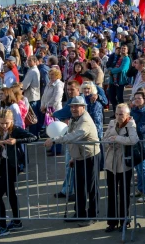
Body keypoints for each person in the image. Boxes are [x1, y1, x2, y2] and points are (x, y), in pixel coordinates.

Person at [45, 95, 100, 227]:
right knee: (79, 186)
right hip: (79, 157)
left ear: (83, 107)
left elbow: (74, 136)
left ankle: (93, 215)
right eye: (72, 107)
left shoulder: (85, 120)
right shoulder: (74, 119)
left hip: (90, 156)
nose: (74, 109)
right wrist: (73, 158)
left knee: (91, 187)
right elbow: (69, 135)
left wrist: (54, 140)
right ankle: (79, 213)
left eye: (76, 106)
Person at [0, 109, 37, 238]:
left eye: (6, 123)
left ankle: (2, 226)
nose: (4, 126)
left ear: (11, 121)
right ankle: (17, 221)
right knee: (10, 192)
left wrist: (16, 141)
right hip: (3, 164)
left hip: (13, 165)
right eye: (1, 123)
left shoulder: (16, 130)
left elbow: (33, 137)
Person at [102, 103, 139, 233]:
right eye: (117, 114)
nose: (118, 116)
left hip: (124, 163)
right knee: (111, 193)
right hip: (110, 161)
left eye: (121, 114)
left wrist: (117, 138)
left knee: (124, 193)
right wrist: (109, 142)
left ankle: (125, 221)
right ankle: (112, 222)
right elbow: (104, 138)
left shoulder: (131, 124)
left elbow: (134, 139)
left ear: (127, 114)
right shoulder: (112, 123)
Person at [131, 89, 145, 202]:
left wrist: (130, 128)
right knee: (138, 168)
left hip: (143, 142)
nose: (137, 100)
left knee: (143, 168)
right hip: (134, 142)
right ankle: (140, 189)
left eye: (139, 98)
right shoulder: (133, 110)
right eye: (135, 98)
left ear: (144, 99)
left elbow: (142, 128)